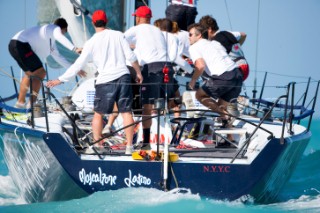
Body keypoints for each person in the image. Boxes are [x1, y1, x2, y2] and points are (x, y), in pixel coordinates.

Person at [46, 10, 143, 154]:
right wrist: (138, 73)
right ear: (107, 21)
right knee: (126, 112)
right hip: (123, 77)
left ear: (93, 24)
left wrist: (60, 79)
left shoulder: (91, 42)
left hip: (105, 81)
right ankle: (129, 146)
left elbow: (78, 64)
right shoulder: (118, 35)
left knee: (98, 114)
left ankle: (98, 146)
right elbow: (131, 56)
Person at [125, 6, 175, 149]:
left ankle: (146, 143)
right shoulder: (157, 30)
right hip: (167, 67)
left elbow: (119, 41)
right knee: (163, 105)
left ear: (138, 18)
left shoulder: (137, 29)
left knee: (147, 106)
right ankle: (169, 138)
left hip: (151, 69)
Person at [187, 23, 243, 144]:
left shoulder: (194, 47)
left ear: (199, 35)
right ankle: (230, 139)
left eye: (190, 34)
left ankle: (224, 116)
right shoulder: (214, 43)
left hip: (223, 77)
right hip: (237, 74)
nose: (189, 37)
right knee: (222, 105)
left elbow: (200, 65)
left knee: (200, 95)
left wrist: (193, 80)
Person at [8, 18, 82, 108]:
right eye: (65, 32)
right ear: (63, 28)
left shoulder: (50, 40)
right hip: (21, 45)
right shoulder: (54, 28)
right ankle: (31, 105)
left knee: (29, 74)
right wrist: (75, 48)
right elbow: (59, 36)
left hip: (13, 45)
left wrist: (74, 69)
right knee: (41, 73)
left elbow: (59, 58)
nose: (64, 34)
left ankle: (20, 104)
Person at [199, 15, 249, 81]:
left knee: (203, 69)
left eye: (203, 32)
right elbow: (243, 35)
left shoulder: (215, 42)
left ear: (209, 29)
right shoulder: (227, 33)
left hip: (236, 69)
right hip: (245, 68)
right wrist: (235, 48)